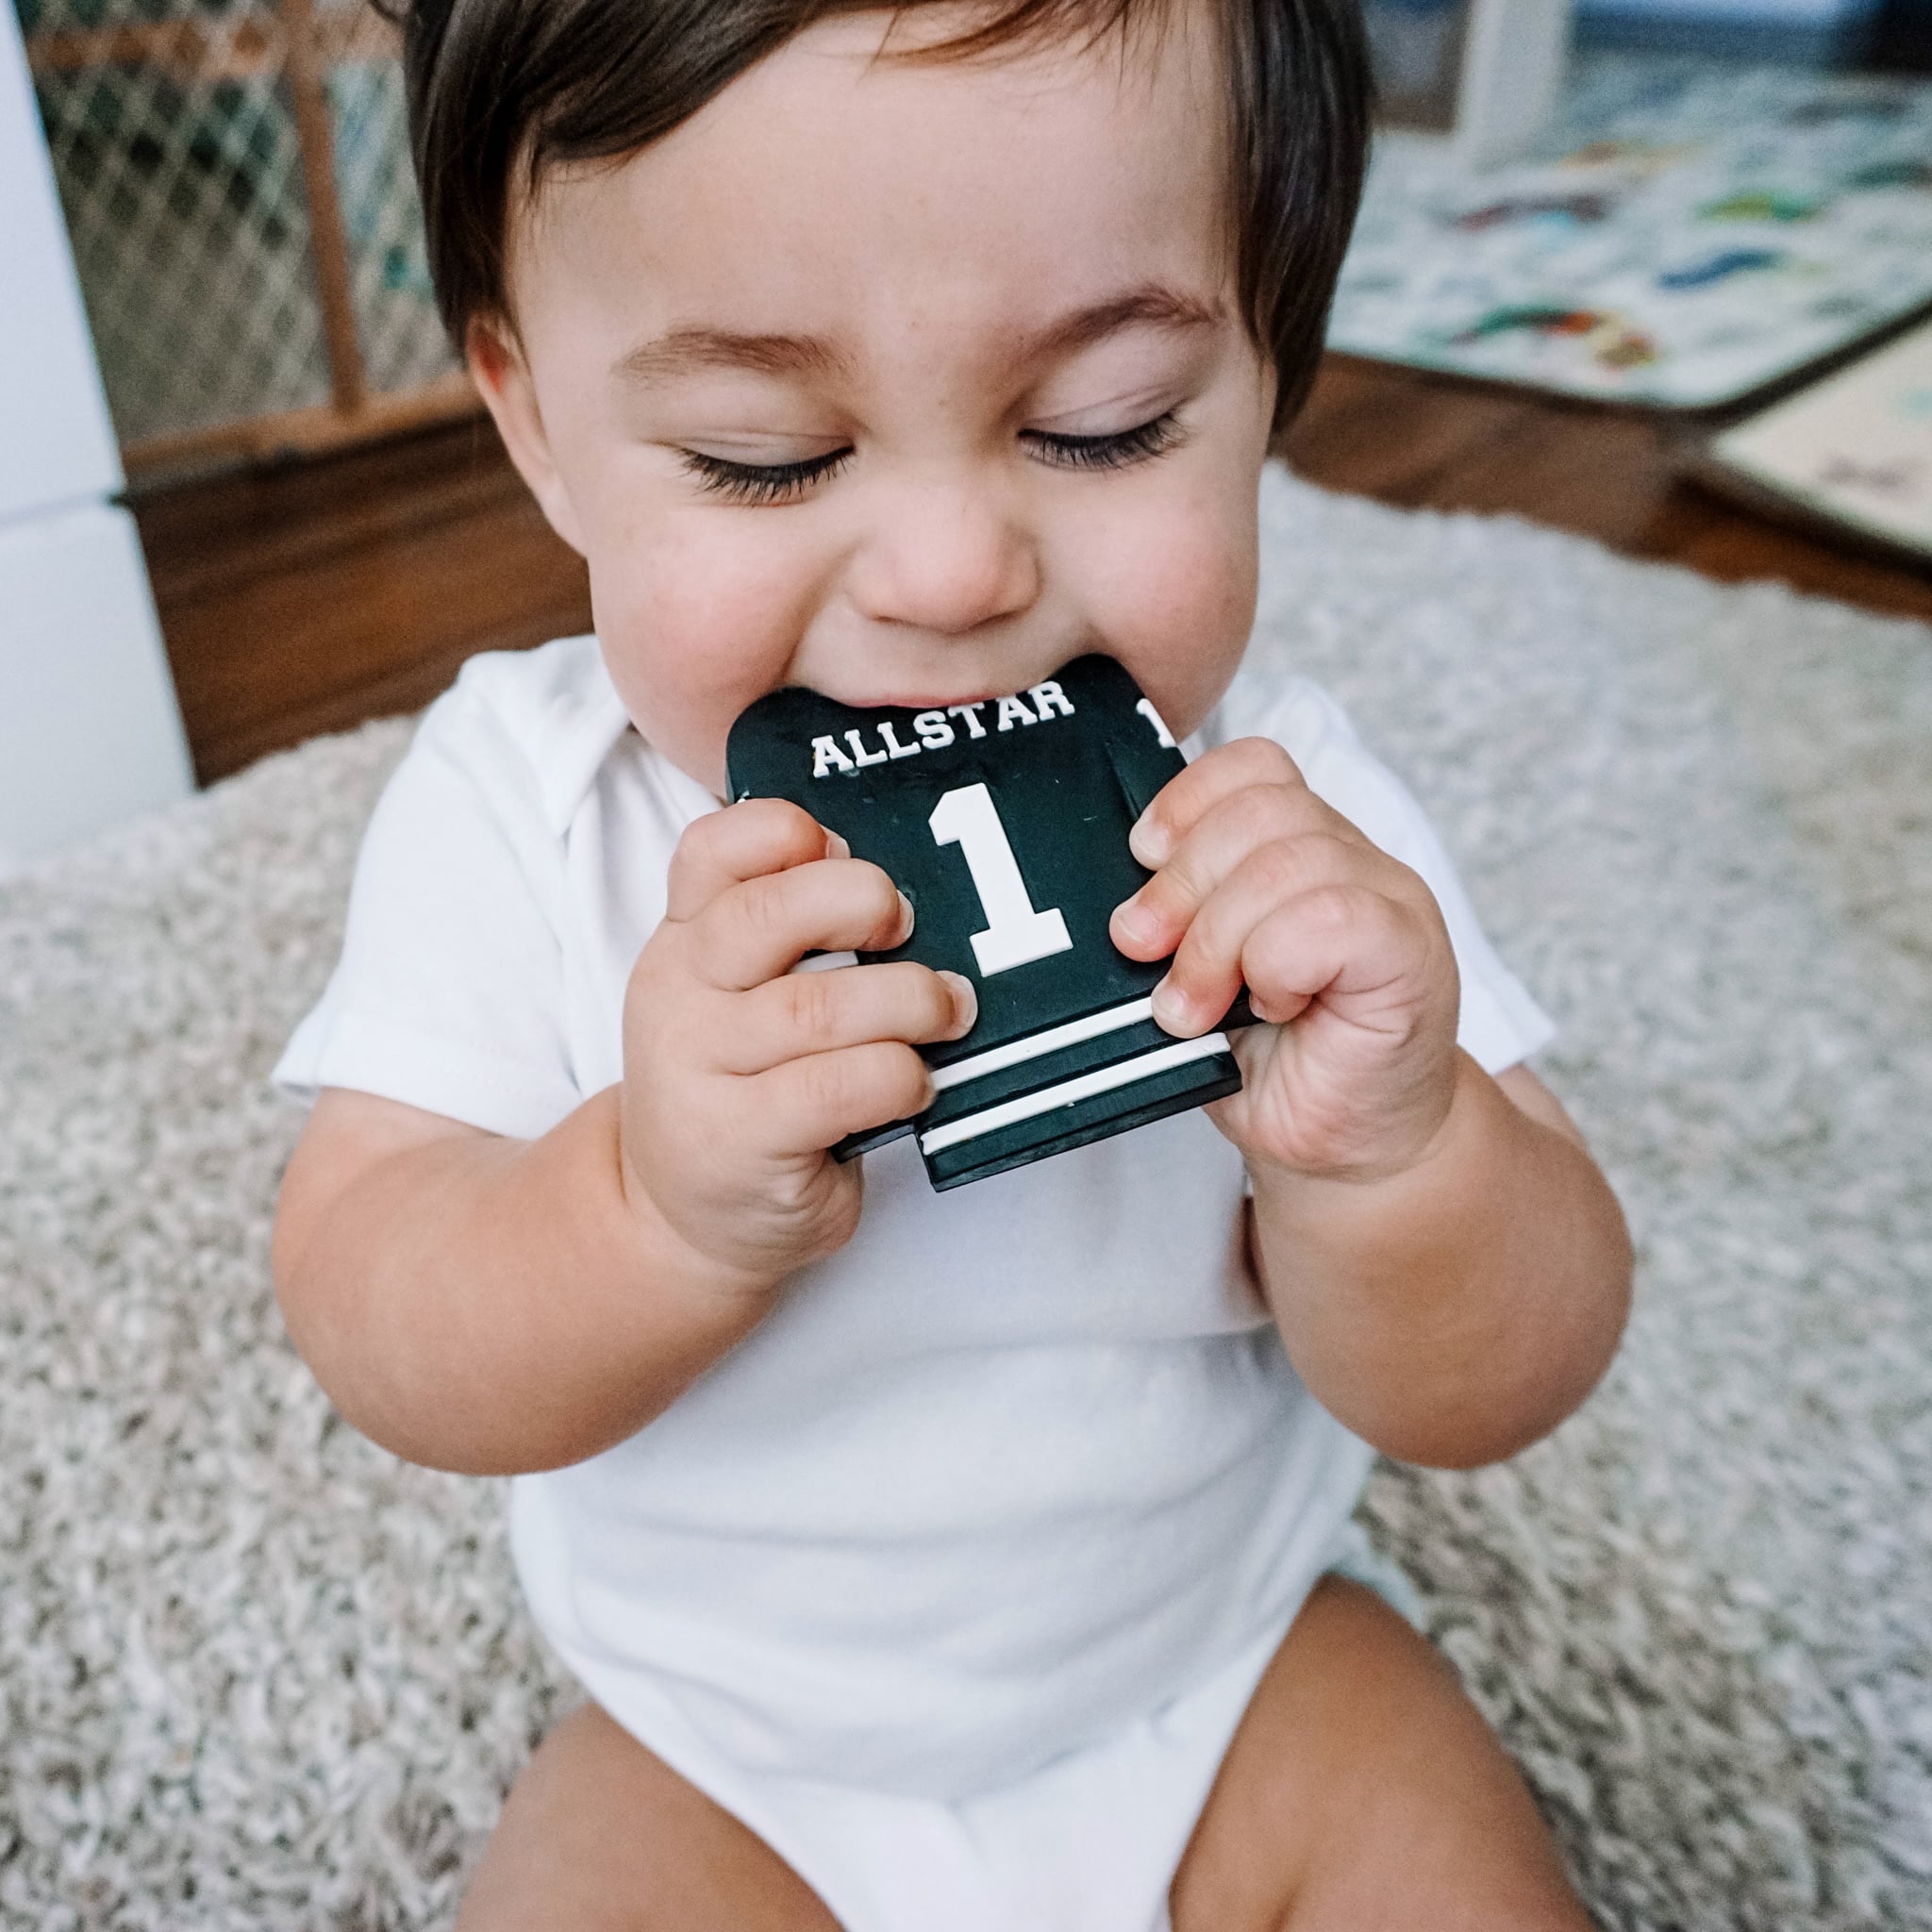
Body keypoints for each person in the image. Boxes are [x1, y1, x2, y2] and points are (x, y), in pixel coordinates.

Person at [271, 2, 1635, 1924]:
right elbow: (373, 1308)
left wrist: (1392, 1160)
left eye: (1105, 425)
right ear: (538, 426)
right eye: (759, 456)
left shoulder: (1275, 809)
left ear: (1270, 376)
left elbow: (1510, 1366)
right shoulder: (523, 802)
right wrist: (650, 1206)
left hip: (1229, 1672)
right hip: (723, 1745)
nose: (947, 571)